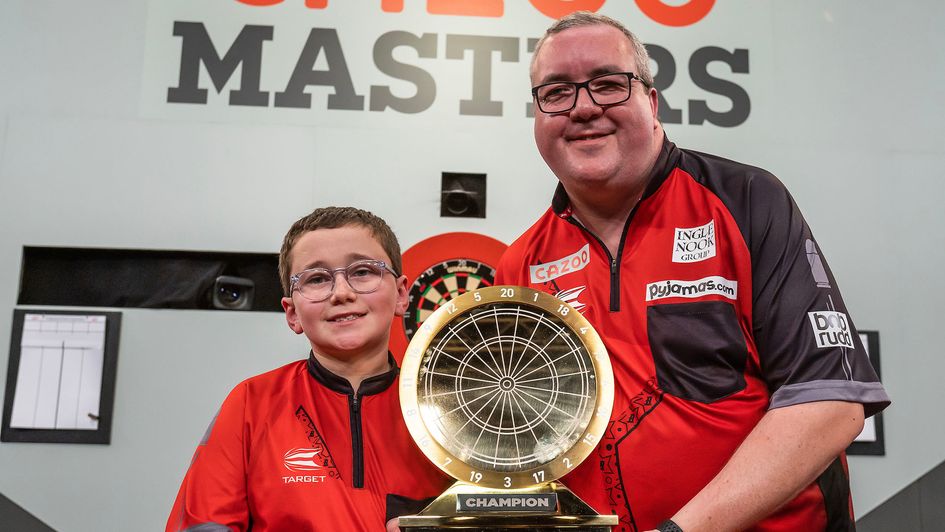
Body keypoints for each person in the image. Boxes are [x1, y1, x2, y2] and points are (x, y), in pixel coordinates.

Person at [495, 11, 890, 532]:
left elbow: (830, 402)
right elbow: (520, 446)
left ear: (652, 102)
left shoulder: (746, 200)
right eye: (556, 92)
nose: (584, 107)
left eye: (609, 85)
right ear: (538, 113)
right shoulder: (519, 262)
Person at [166, 207, 450, 531]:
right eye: (316, 279)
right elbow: (202, 525)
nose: (342, 293)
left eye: (362, 272)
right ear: (292, 314)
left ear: (401, 295)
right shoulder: (251, 405)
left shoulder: (451, 413)